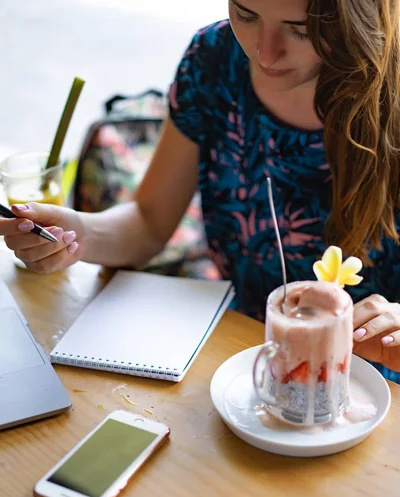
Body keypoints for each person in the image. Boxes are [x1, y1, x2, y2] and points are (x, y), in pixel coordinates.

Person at [1, 0, 400, 379]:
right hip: (242, 352)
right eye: (246, 14)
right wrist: (78, 235)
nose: (264, 54)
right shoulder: (213, 58)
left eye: (302, 30)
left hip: (372, 380)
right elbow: (149, 221)